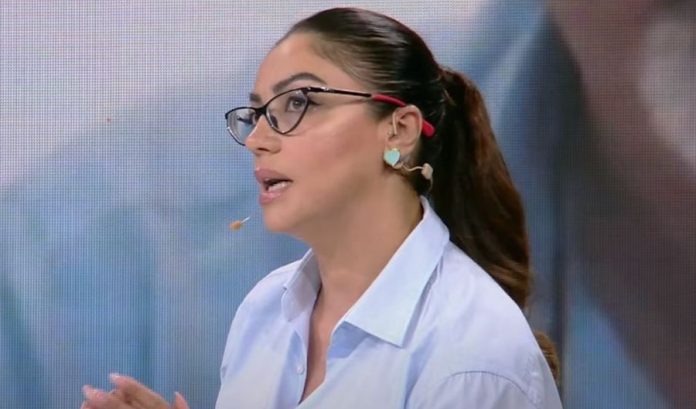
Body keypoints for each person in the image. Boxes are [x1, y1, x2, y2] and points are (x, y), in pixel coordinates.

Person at [80, 7, 562, 409]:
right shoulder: (264, 309)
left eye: (298, 103)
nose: (258, 139)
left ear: (398, 130)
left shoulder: (473, 359)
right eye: (257, 113)